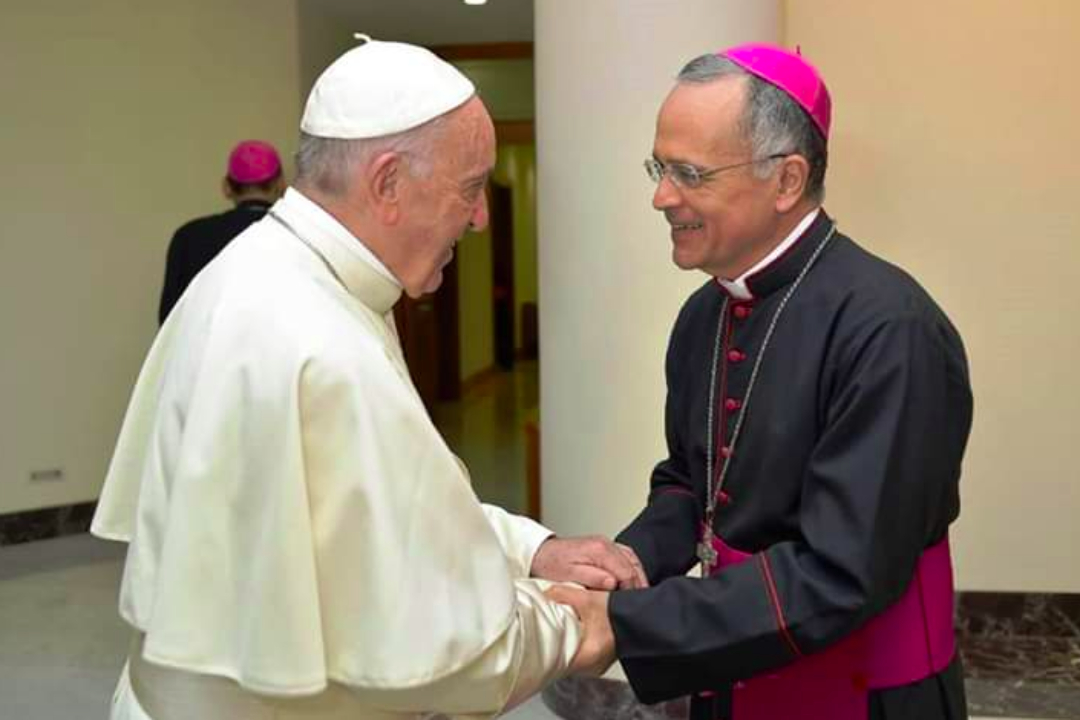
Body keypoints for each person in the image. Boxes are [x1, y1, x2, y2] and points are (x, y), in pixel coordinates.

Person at [92, 38, 641, 720]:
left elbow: (377, 510)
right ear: (386, 183)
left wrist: (536, 550)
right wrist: (573, 624)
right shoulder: (319, 342)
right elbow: (452, 656)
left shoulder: (265, 271)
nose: (481, 217)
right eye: (470, 188)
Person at [548, 43, 973, 720]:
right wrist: (632, 559)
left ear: (786, 180)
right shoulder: (703, 315)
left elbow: (844, 569)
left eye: (689, 173)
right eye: (659, 168)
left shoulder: (891, 329)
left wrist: (629, 624)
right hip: (733, 672)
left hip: (863, 696)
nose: (661, 196)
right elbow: (692, 483)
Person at [157, 139, 285, 324]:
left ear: (227, 187)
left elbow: (169, 321)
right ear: (280, 185)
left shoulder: (189, 237)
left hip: (204, 352)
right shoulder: (299, 237)